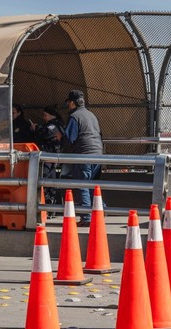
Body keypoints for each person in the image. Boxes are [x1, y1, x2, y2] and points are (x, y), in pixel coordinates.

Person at [59, 90, 103, 227]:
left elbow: (69, 138)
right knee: (92, 186)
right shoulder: (91, 115)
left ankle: (87, 217)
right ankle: (100, 211)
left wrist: (61, 140)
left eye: (68, 103)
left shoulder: (75, 116)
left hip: (84, 154)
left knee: (83, 185)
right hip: (98, 154)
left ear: (72, 103)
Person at [31, 105, 65, 206]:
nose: (44, 117)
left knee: (46, 179)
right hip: (50, 156)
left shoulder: (54, 125)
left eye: (45, 115)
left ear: (51, 115)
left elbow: (46, 133)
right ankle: (48, 203)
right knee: (48, 179)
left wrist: (36, 128)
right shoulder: (55, 125)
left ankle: (48, 203)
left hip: (50, 156)